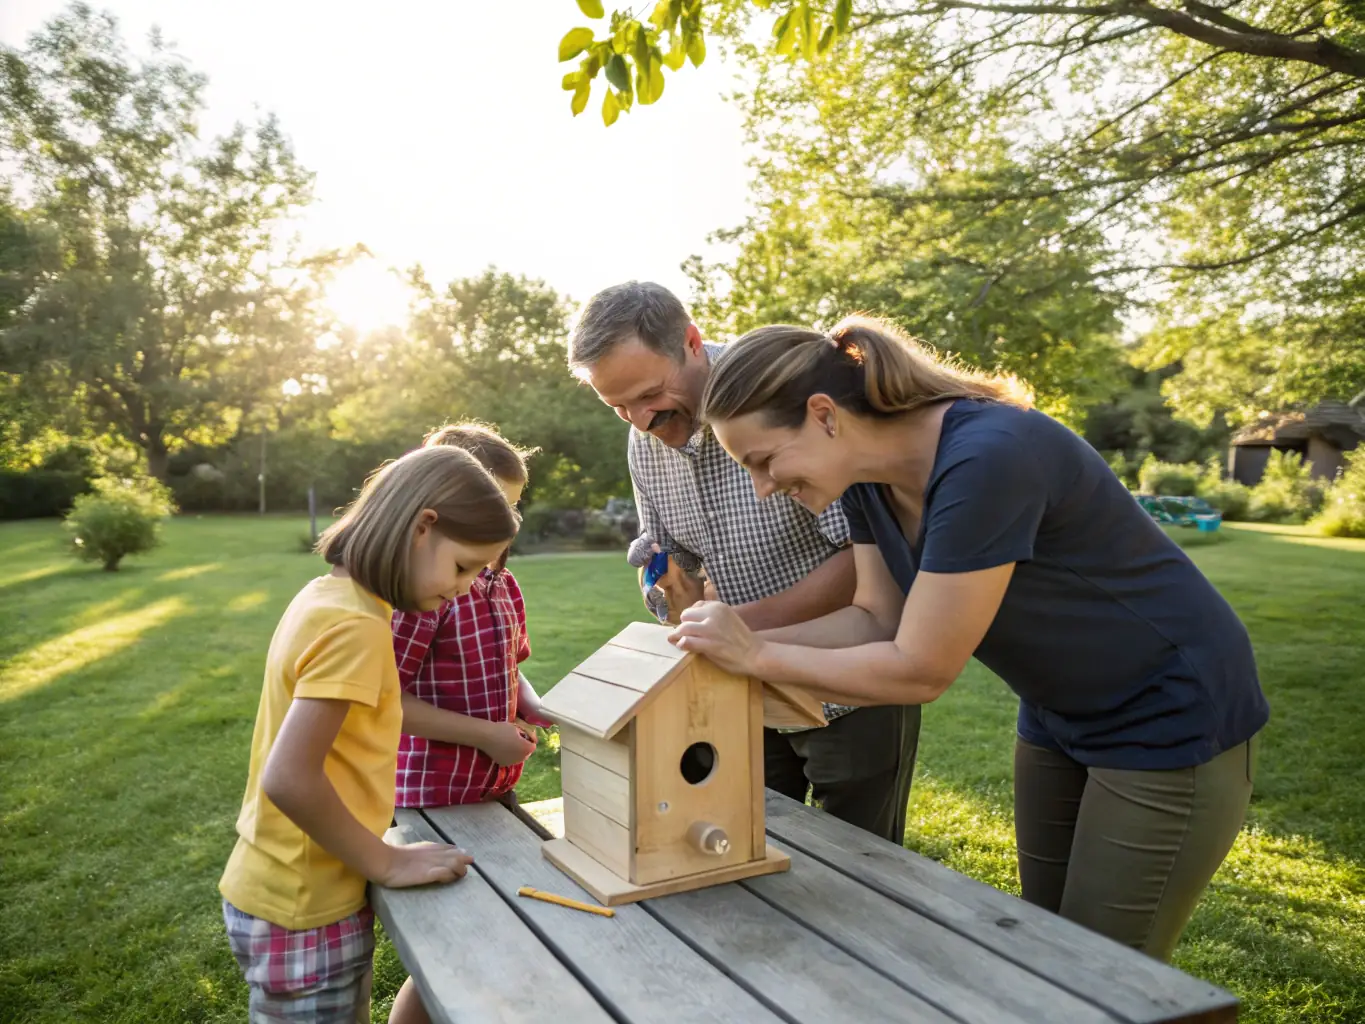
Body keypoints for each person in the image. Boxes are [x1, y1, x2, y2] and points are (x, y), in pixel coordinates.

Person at [670, 315, 1270, 962]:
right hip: (1055, 712)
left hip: (1168, 712)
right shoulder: (866, 482)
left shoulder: (987, 457)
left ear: (823, 414)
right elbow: (874, 618)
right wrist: (729, 643)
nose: (763, 490)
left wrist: (757, 654)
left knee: (1107, 973)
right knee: (1046, 945)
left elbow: (921, 669)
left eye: (763, 461)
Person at [569, 282, 920, 843]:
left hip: (848, 681)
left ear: (690, 340)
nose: (639, 421)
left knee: (860, 858)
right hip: (739, 690)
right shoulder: (645, 439)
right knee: (749, 841)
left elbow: (865, 554)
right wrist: (664, 585)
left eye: (648, 394)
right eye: (617, 407)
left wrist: (742, 626)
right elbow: (671, 556)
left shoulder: (779, 389)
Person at [219, 445, 520, 1023]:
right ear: (420, 527)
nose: (463, 588)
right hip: (306, 902)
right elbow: (290, 777)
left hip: (277, 882)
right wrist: (384, 861)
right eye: (462, 566)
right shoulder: (355, 625)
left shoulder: (327, 596)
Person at [391, 423, 552, 814]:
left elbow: (510, 667)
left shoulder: (503, 585)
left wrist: (534, 706)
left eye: (512, 507)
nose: (507, 523)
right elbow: (384, 698)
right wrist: (486, 736)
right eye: (493, 505)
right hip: (427, 796)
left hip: (492, 789)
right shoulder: (426, 592)